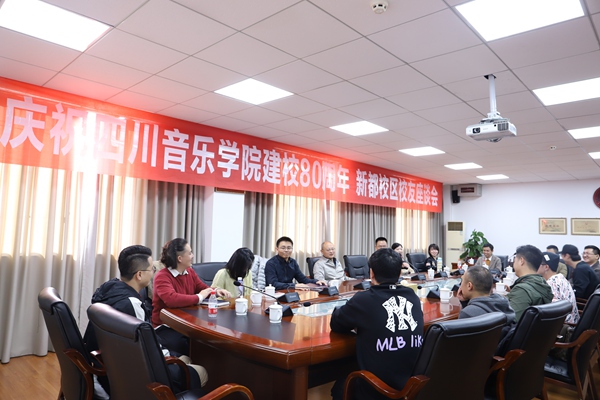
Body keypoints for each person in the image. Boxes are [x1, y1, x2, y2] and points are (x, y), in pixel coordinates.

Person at [84, 245, 207, 395]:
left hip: (112, 369)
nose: (154, 272)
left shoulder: (110, 291)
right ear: (139, 275)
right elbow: (148, 351)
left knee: (185, 358)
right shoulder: (132, 305)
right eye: (152, 269)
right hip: (140, 379)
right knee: (202, 371)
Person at [330, 248, 424, 400]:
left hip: (378, 391)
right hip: (409, 387)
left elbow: (336, 323)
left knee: (340, 386)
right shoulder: (413, 297)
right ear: (399, 274)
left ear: (371, 273)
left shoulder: (364, 300)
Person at [152, 238, 232, 355]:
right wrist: (199, 297)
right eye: (189, 253)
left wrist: (216, 291)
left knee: (211, 343)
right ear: (180, 258)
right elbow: (171, 299)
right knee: (195, 346)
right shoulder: (162, 276)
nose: (193, 256)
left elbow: (202, 287)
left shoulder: (189, 271)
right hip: (167, 327)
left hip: (187, 323)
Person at [457, 265, 516, 339]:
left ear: (469, 286)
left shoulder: (467, 314)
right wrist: (465, 303)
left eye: (462, 281)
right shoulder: (504, 304)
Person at [506, 245, 553, 322]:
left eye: (514, 260)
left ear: (521, 261)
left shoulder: (522, 290)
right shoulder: (542, 283)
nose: (513, 264)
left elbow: (511, 321)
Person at [537, 251, 579, 324]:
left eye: (537, 264)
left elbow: (552, 312)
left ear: (546, 267)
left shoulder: (550, 284)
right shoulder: (560, 278)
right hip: (571, 322)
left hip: (564, 326)